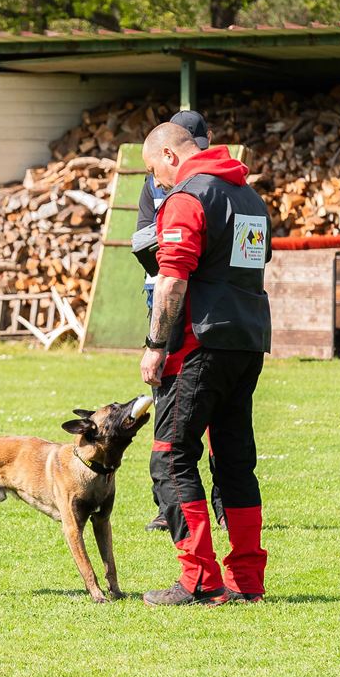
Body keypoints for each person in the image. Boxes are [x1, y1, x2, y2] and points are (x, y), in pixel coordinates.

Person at [138, 121, 272, 606]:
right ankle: (247, 581)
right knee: (234, 461)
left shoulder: (189, 197)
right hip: (247, 342)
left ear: (170, 156)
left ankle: (199, 579)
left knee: (171, 456)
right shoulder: (250, 198)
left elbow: (173, 280)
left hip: (199, 344)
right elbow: (252, 264)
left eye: (155, 172)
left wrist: (156, 344)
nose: (158, 183)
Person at [131, 110, 226, 533]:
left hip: (201, 314)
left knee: (198, 429)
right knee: (174, 412)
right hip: (171, 300)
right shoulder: (155, 182)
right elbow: (141, 239)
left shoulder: (207, 188)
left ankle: (220, 506)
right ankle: (167, 506)